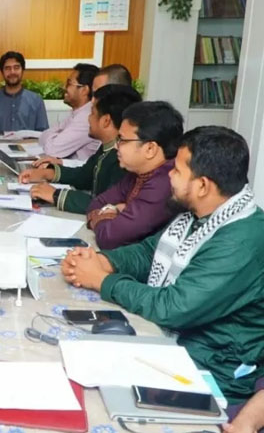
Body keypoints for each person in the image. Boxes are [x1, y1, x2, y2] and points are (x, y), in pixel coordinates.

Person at [61, 126, 264, 409]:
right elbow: (149, 252)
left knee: (87, 396)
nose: (169, 174)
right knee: (68, 351)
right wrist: (103, 261)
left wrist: (101, 281)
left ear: (203, 186)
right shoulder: (199, 215)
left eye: (178, 171)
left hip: (209, 372)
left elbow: (174, 307)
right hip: (173, 346)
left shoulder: (241, 241)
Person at [20, 85, 141, 213]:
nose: (88, 118)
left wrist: (56, 195)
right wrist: (48, 173)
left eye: (92, 113)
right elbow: (85, 175)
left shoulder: (123, 157)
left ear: (106, 121)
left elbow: (105, 204)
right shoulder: (106, 148)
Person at [86, 101, 183, 250]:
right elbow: (97, 203)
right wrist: (115, 211)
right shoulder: (139, 172)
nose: (116, 146)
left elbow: (109, 237)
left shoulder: (164, 184)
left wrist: (107, 214)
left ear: (150, 149)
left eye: (122, 140)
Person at [38, 63, 100, 160]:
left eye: (69, 83)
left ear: (84, 90)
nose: (64, 87)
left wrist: (58, 135)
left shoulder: (86, 118)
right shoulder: (78, 113)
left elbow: (52, 150)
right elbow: (43, 137)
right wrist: (57, 136)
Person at [0, 51, 48, 134]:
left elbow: (43, 134)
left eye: (16, 67)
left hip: (28, 142)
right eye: (7, 68)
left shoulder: (36, 101)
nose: (12, 72)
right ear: (2, 72)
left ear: (23, 70)